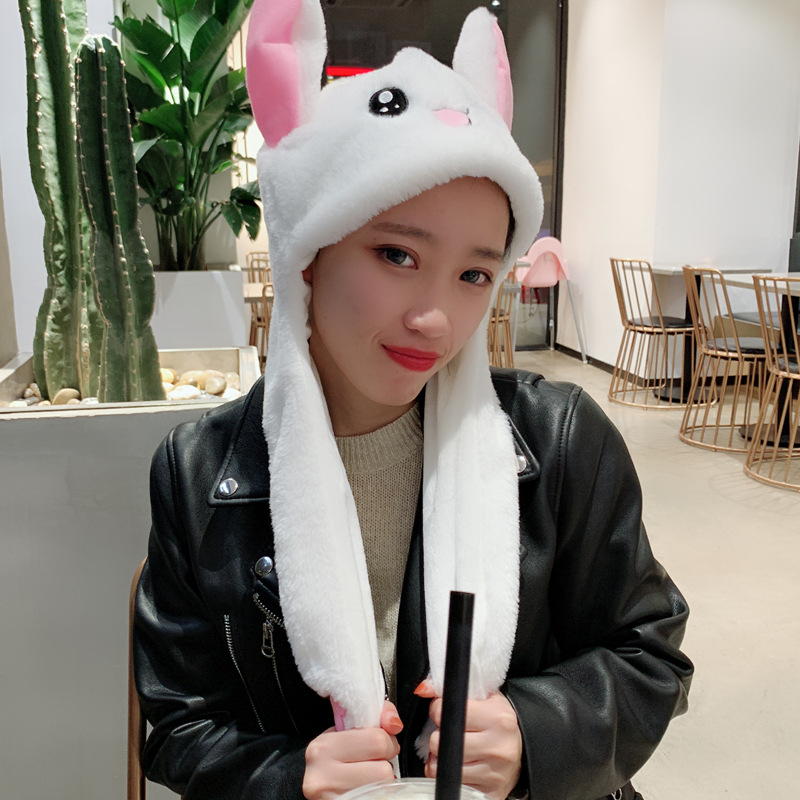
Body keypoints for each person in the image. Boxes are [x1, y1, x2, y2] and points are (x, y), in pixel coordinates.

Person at [133, 3, 693, 800]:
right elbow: (179, 726)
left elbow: (651, 656)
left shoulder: (561, 441)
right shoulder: (199, 475)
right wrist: (290, 778)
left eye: (474, 274)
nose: (436, 319)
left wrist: (537, 731)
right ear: (308, 252)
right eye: (397, 254)